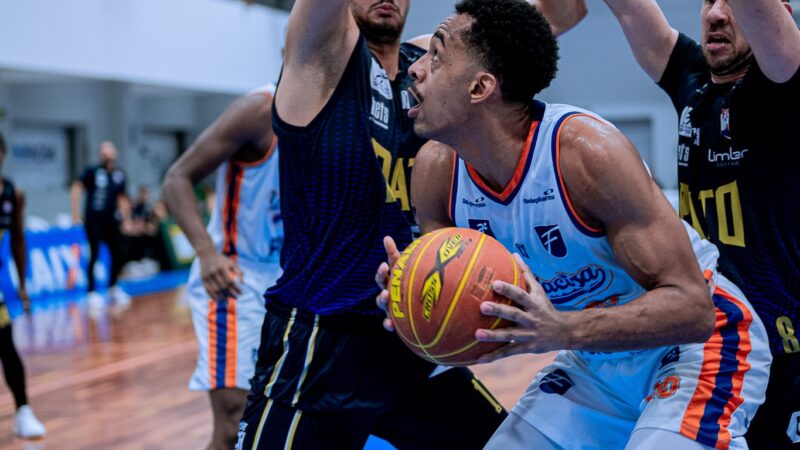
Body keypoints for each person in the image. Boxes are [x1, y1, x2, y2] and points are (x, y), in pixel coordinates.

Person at [373, 1, 772, 448]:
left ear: (480, 87)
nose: (416, 69)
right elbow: (467, 322)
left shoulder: (584, 154)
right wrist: (413, 302)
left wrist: (561, 330)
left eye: (436, 55)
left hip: (699, 346)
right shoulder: (435, 171)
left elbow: (692, 310)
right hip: (595, 360)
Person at [237, 0, 587, 448]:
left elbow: (564, 12)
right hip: (319, 345)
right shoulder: (319, 60)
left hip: (414, 331)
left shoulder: (428, 69)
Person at [599, 0, 800, 446]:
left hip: (788, 354)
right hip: (716, 345)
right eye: (709, 1)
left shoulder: (783, 83)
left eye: (732, 3)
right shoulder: (693, 81)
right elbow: (632, 11)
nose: (716, 14)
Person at [163, 85, 282, 450]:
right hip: (236, 277)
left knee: (278, 422)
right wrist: (205, 252)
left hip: (290, 279)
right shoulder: (260, 111)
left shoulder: (339, 111)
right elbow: (176, 178)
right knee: (234, 422)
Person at [0, 132, 46, 439]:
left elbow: (18, 238)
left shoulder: (12, 194)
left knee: (6, 344)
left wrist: (22, 285)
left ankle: (23, 412)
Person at [70, 141, 131, 309]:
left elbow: (123, 198)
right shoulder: (92, 171)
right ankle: (91, 291)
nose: (108, 156)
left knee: (118, 253)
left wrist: (126, 219)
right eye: (105, 153)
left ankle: (112, 287)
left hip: (112, 220)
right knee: (94, 253)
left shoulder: (119, 174)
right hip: (93, 219)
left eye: (110, 153)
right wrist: (75, 212)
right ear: (101, 155)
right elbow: (77, 188)